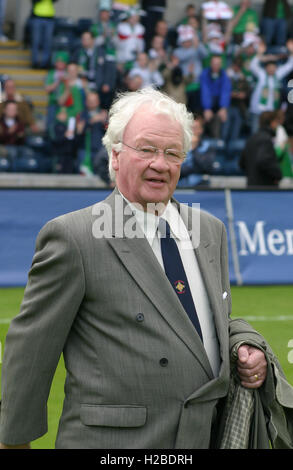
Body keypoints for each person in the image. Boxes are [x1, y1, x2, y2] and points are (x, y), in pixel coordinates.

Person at [0, 87, 292, 450]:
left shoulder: (209, 230)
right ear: (116, 154)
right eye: (147, 149)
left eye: (173, 153)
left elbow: (202, 322)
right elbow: (31, 350)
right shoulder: (73, 236)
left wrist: (244, 345)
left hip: (203, 437)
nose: (161, 163)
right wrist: (14, 442)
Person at [249, 39, 293, 133]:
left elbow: (290, 65)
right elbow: (253, 65)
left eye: (274, 67)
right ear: (266, 67)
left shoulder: (278, 75)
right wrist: (259, 53)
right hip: (258, 110)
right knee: (255, 132)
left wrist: (291, 51)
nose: (272, 69)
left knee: (268, 134)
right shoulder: (261, 74)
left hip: (271, 112)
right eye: (270, 67)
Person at [239, 110, 283, 186]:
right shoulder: (266, 140)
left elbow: (241, 163)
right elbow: (263, 160)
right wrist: (278, 174)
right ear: (272, 122)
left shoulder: (251, 139)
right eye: (276, 123)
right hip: (265, 189)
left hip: (251, 187)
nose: (277, 126)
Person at [199, 54, 231, 139]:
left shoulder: (224, 75)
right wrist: (207, 108)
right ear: (210, 63)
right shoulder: (205, 74)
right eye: (214, 63)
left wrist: (223, 107)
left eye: (218, 63)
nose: (216, 65)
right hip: (206, 103)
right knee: (203, 117)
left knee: (222, 117)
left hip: (219, 103)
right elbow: (205, 91)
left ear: (221, 64)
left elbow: (225, 91)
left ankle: (218, 141)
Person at [30, 0, 58, 69]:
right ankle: (35, 62)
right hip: (37, 17)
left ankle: (45, 63)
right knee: (36, 41)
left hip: (49, 17)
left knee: (48, 42)